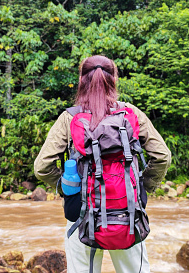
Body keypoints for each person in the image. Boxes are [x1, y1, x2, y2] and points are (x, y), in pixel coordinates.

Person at [34, 55, 171, 273]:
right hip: (128, 213)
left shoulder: (69, 118)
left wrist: (66, 188)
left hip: (81, 215)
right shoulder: (131, 113)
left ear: (81, 80)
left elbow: (42, 166)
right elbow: (162, 156)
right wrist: (143, 187)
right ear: (114, 79)